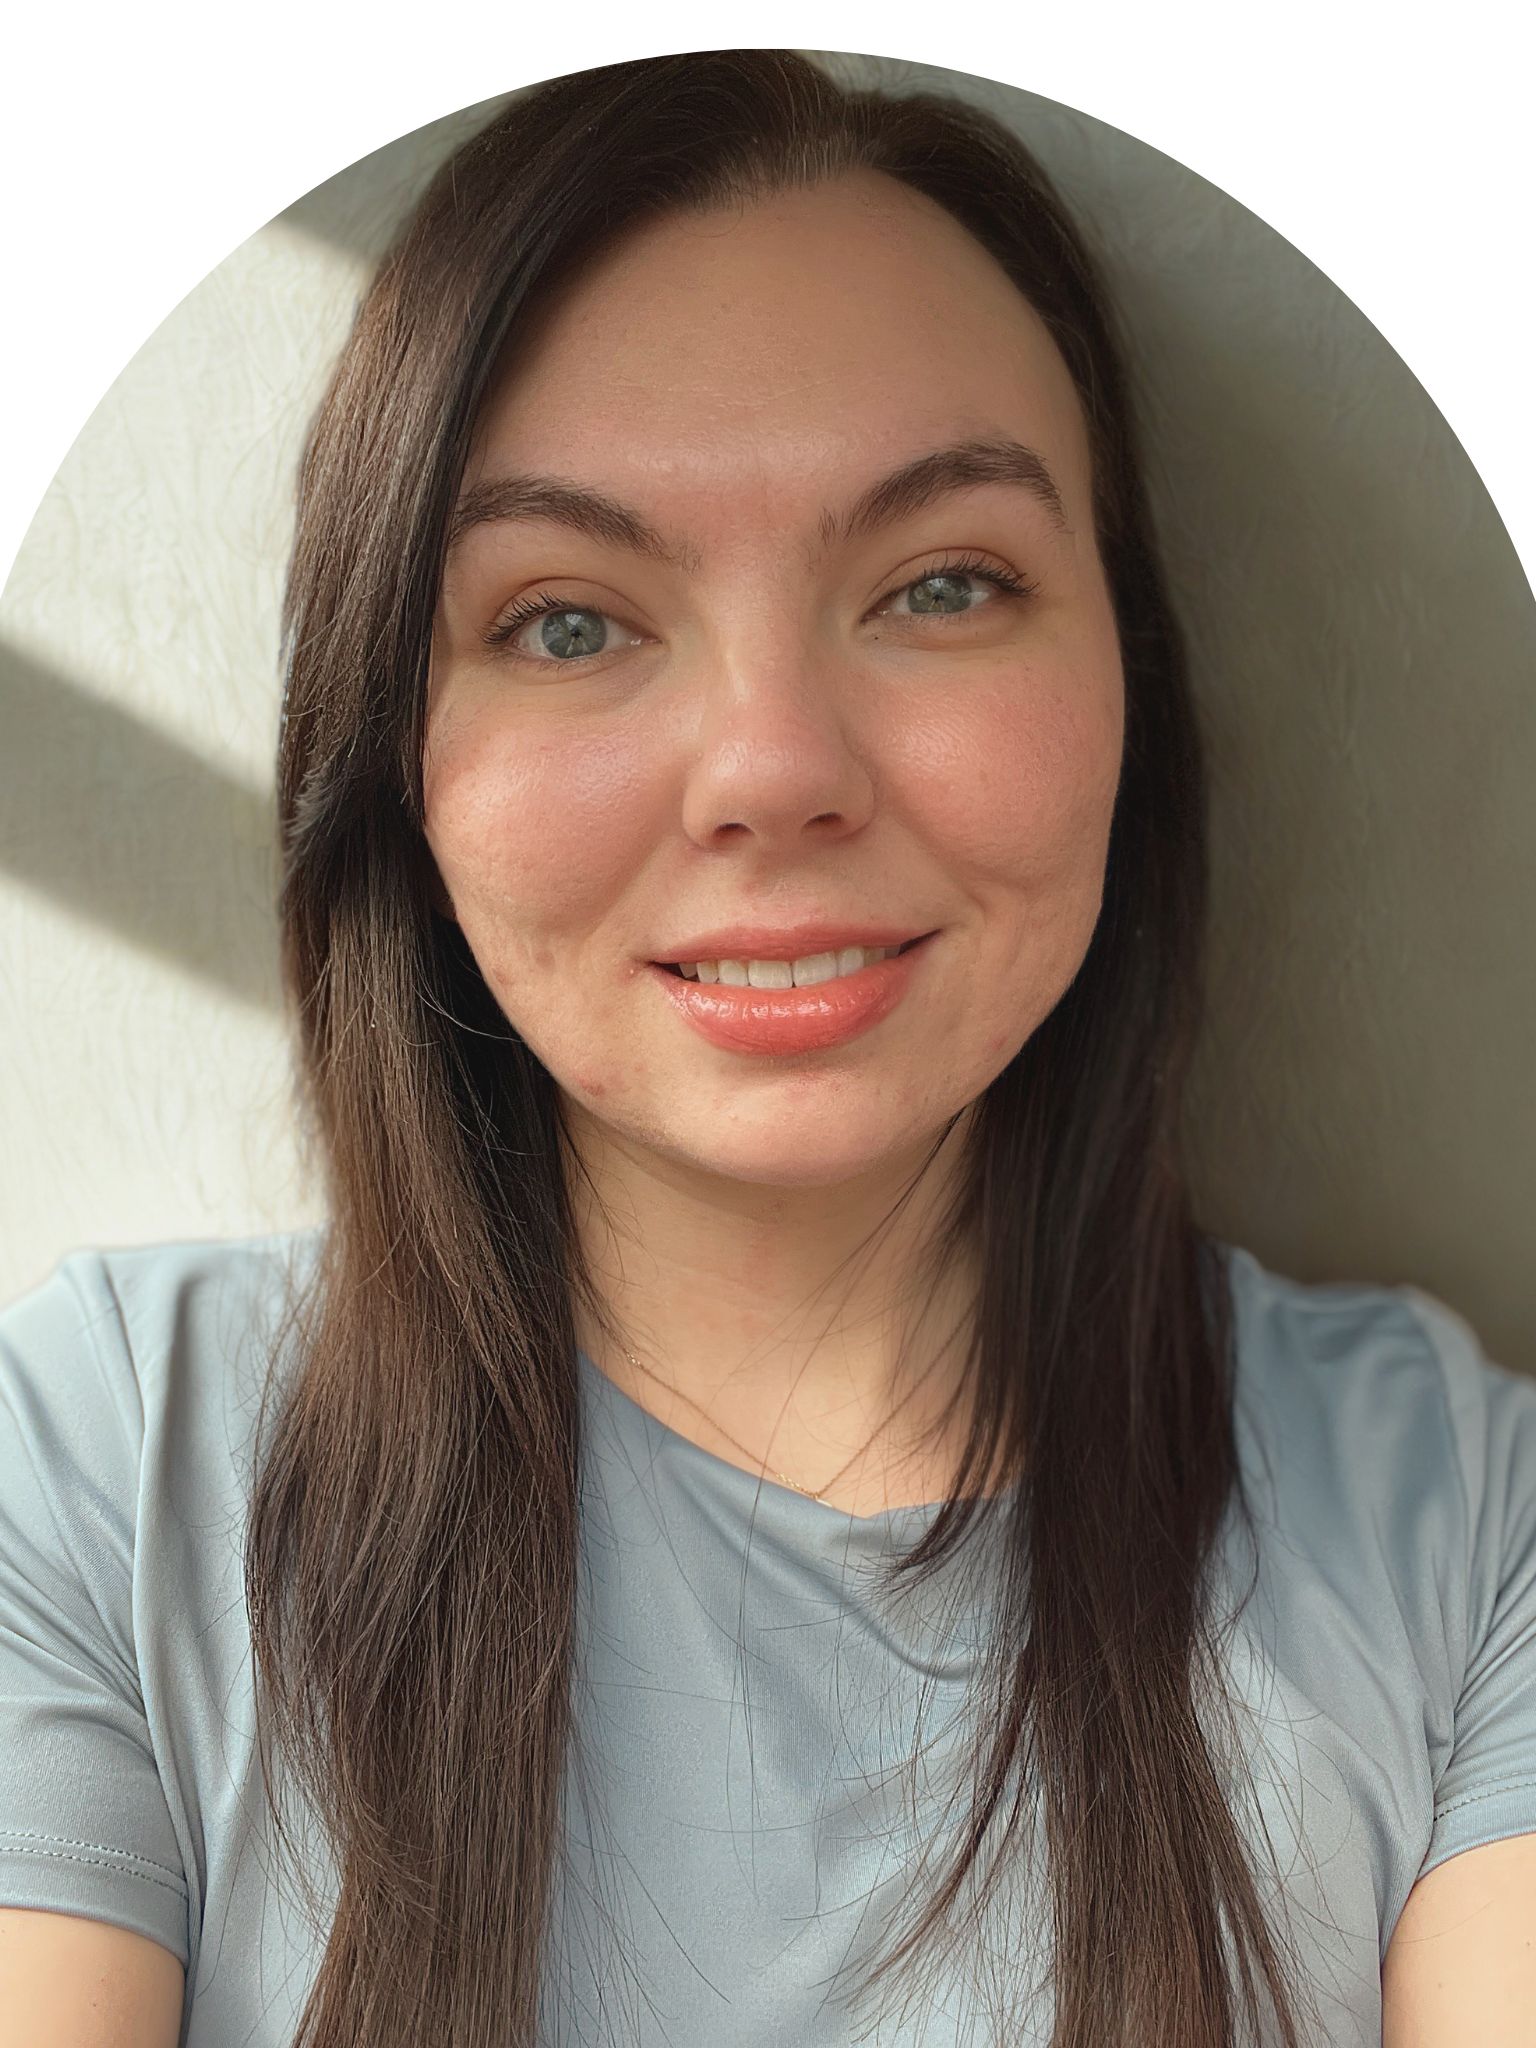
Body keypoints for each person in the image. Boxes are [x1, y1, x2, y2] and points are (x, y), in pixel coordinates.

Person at [1, 49, 1533, 2048]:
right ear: (402, 754)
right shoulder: (106, 1465)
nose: (776, 771)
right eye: (569, 621)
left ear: (1127, 686)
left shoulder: (1455, 1517)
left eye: (944, 583)